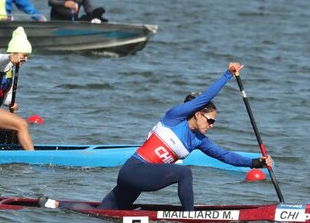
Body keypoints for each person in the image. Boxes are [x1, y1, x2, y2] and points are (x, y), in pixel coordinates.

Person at [94, 62, 272, 211]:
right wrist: (228, 75)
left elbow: (225, 156)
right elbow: (205, 98)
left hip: (142, 179)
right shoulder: (175, 117)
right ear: (198, 113)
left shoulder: (199, 141)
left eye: (213, 123)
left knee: (103, 214)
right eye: (210, 120)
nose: (211, 126)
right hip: (134, 170)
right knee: (184, 173)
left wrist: (257, 162)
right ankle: (189, 217)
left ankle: (72, 210)